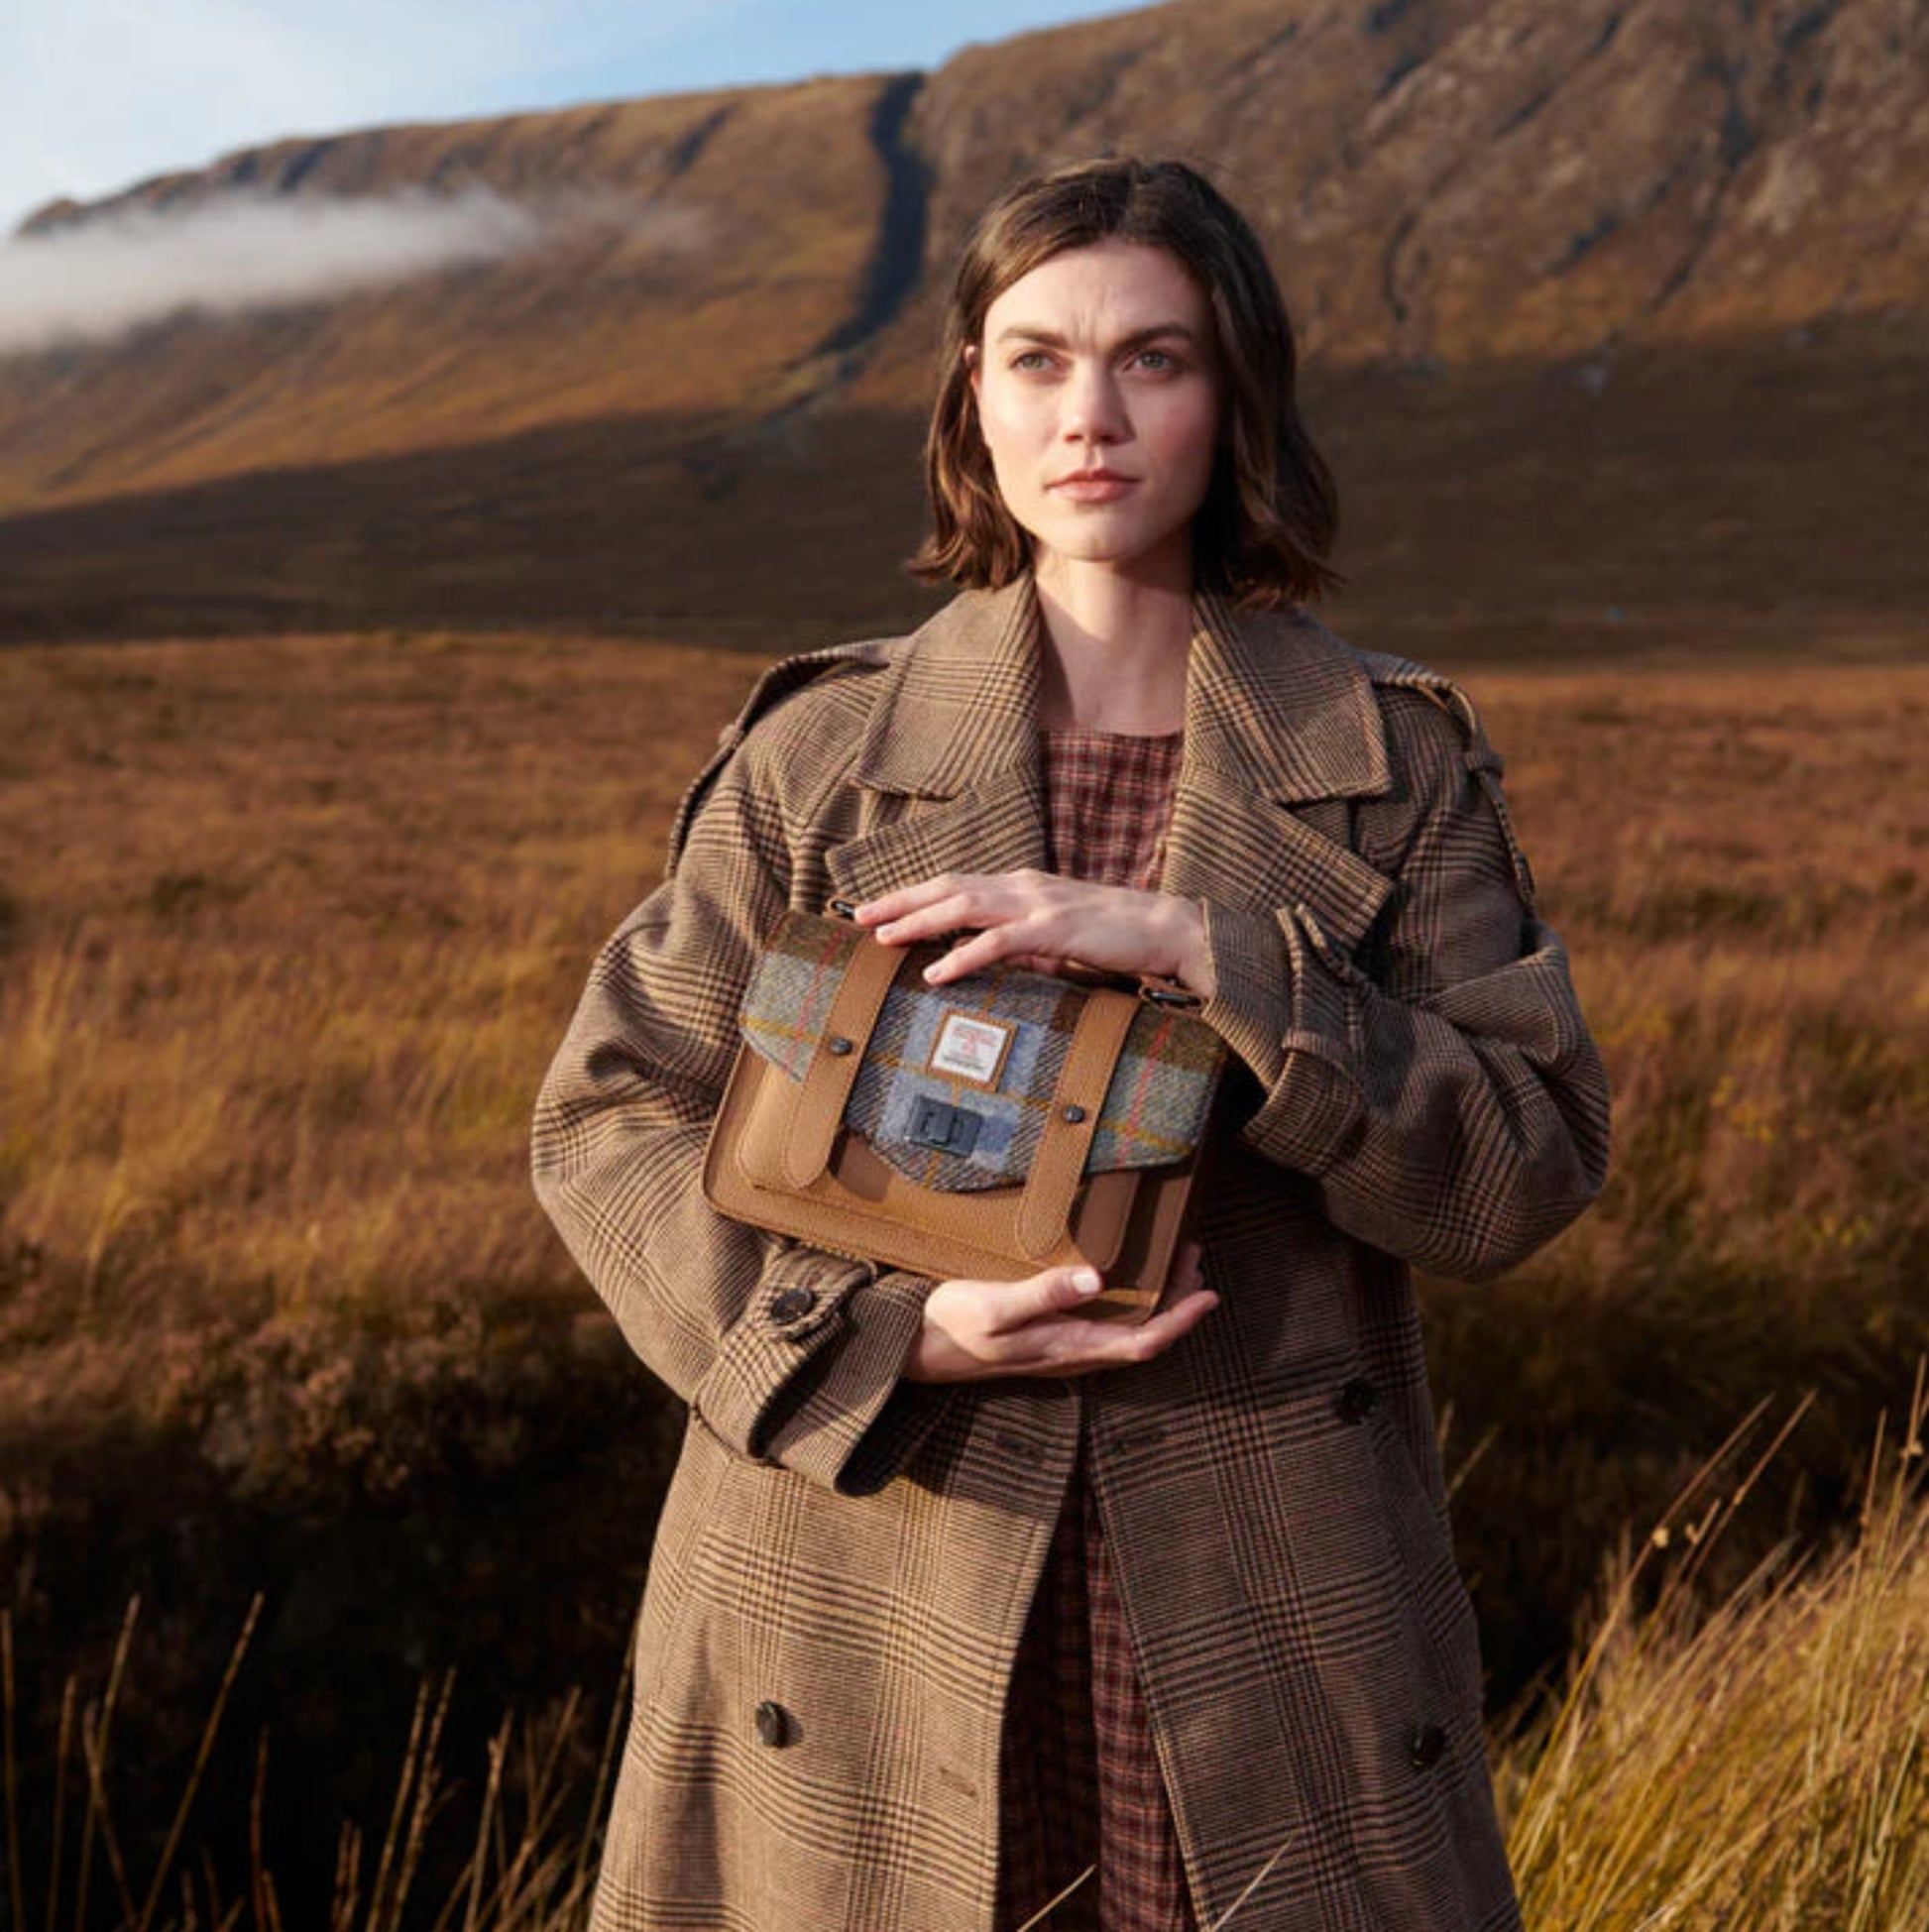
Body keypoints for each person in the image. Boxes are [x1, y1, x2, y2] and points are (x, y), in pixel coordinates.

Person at [530, 156, 1612, 1932]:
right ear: (971, 390)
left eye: (1152, 360)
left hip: (1262, 1606)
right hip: (873, 1555)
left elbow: (1519, 1166)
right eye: (1034, 359)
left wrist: (1221, 959)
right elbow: (613, 1112)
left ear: (1235, 391)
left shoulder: (1387, 762)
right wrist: (887, 1336)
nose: (1087, 414)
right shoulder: (823, 755)